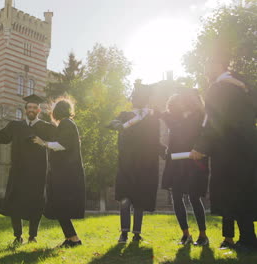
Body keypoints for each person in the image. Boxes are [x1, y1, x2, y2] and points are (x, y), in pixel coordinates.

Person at [190, 51, 257, 251]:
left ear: (218, 65)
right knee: (246, 190)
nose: (204, 70)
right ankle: (248, 237)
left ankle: (247, 240)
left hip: (229, 149)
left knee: (233, 192)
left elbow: (213, 121)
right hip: (249, 144)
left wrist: (200, 147)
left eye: (207, 65)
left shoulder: (218, 88)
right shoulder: (245, 85)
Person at [0, 94, 56, 244]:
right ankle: (18, 236)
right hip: (18, 170)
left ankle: (33, 236)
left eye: (34, 107)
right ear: (25, 109)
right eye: (29, 107)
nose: (31, 110)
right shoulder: (15, 126)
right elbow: (2, 137)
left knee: (36, 203)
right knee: (15, 202)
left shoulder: (46, 127)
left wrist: (44, 142)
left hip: (38, 171)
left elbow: (58, 142)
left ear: (39, 110)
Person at [107, 85, 166, 243]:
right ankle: (124, 233)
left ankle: (137, 234)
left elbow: (155, 141)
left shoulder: (152, 119)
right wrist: (116, 124)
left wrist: (164, 151)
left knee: (140, 200)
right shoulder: (126, 115)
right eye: (135, 97)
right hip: (126, 163)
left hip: (145, 165)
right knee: (125, 199)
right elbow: (112, 123)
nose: (136, 100)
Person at [32, 98, 85, 248]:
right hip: (64, 172)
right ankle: (70, 238)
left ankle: (74, 239)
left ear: (58, 111)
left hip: (66, 173)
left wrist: (43, 143)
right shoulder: (66, 124)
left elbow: (63, 145)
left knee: (61, 206)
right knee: (59, 206)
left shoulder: (67, 124)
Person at [160, 91, 209, 246]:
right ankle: (185, 235)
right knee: (176, 197)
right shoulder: (175, 118)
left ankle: (203, 236)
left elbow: (204, 136)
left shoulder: (200, 117)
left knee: (194, 197)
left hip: (193, 161)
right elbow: (165, 117)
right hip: (176, 162)